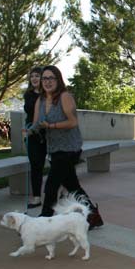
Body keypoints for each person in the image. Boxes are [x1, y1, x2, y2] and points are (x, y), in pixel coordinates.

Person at [33, 65, 103, 229]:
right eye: (45, 78)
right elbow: (37, 123)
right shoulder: (40, 100)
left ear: (58, 80)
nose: (47, 82)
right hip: (55, 149)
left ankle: (44, 220)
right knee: (72, 185)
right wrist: (29, 130)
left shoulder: (65, 96)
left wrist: (51, 126)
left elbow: (73, 122)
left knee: (51, 185)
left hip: (70, 148)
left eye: (51, 78)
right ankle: (93, 215)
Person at [23, 67, 46, 209]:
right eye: (32, 76)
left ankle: (64, 190)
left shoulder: (49, 94)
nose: (35, 79)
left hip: (49, 132)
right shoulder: (29, 95)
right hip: (32, 133)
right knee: (36, 165)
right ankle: (37, 197)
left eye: (37, 76)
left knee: (58, 162)